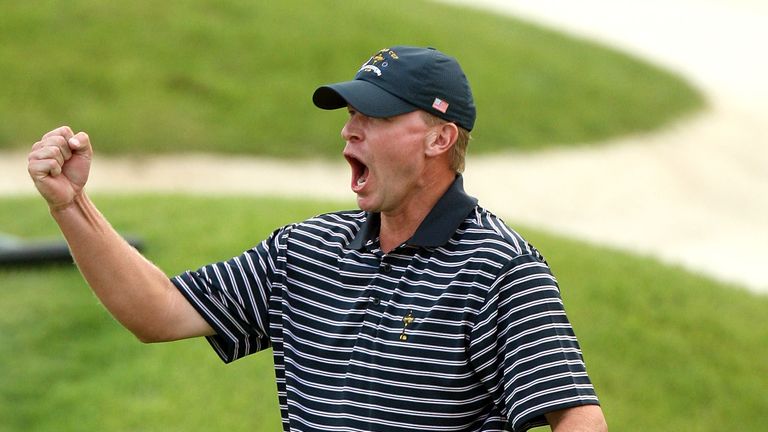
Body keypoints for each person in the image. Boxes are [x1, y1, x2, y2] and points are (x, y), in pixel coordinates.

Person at [27, 45, 607, 431]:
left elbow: (578, 419)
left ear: (439, 139)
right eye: (351, 113)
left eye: (375, 117)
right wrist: (70, 203)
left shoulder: (500, 269)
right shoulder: (307, 251)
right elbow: (157, 314)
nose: (349, 129)